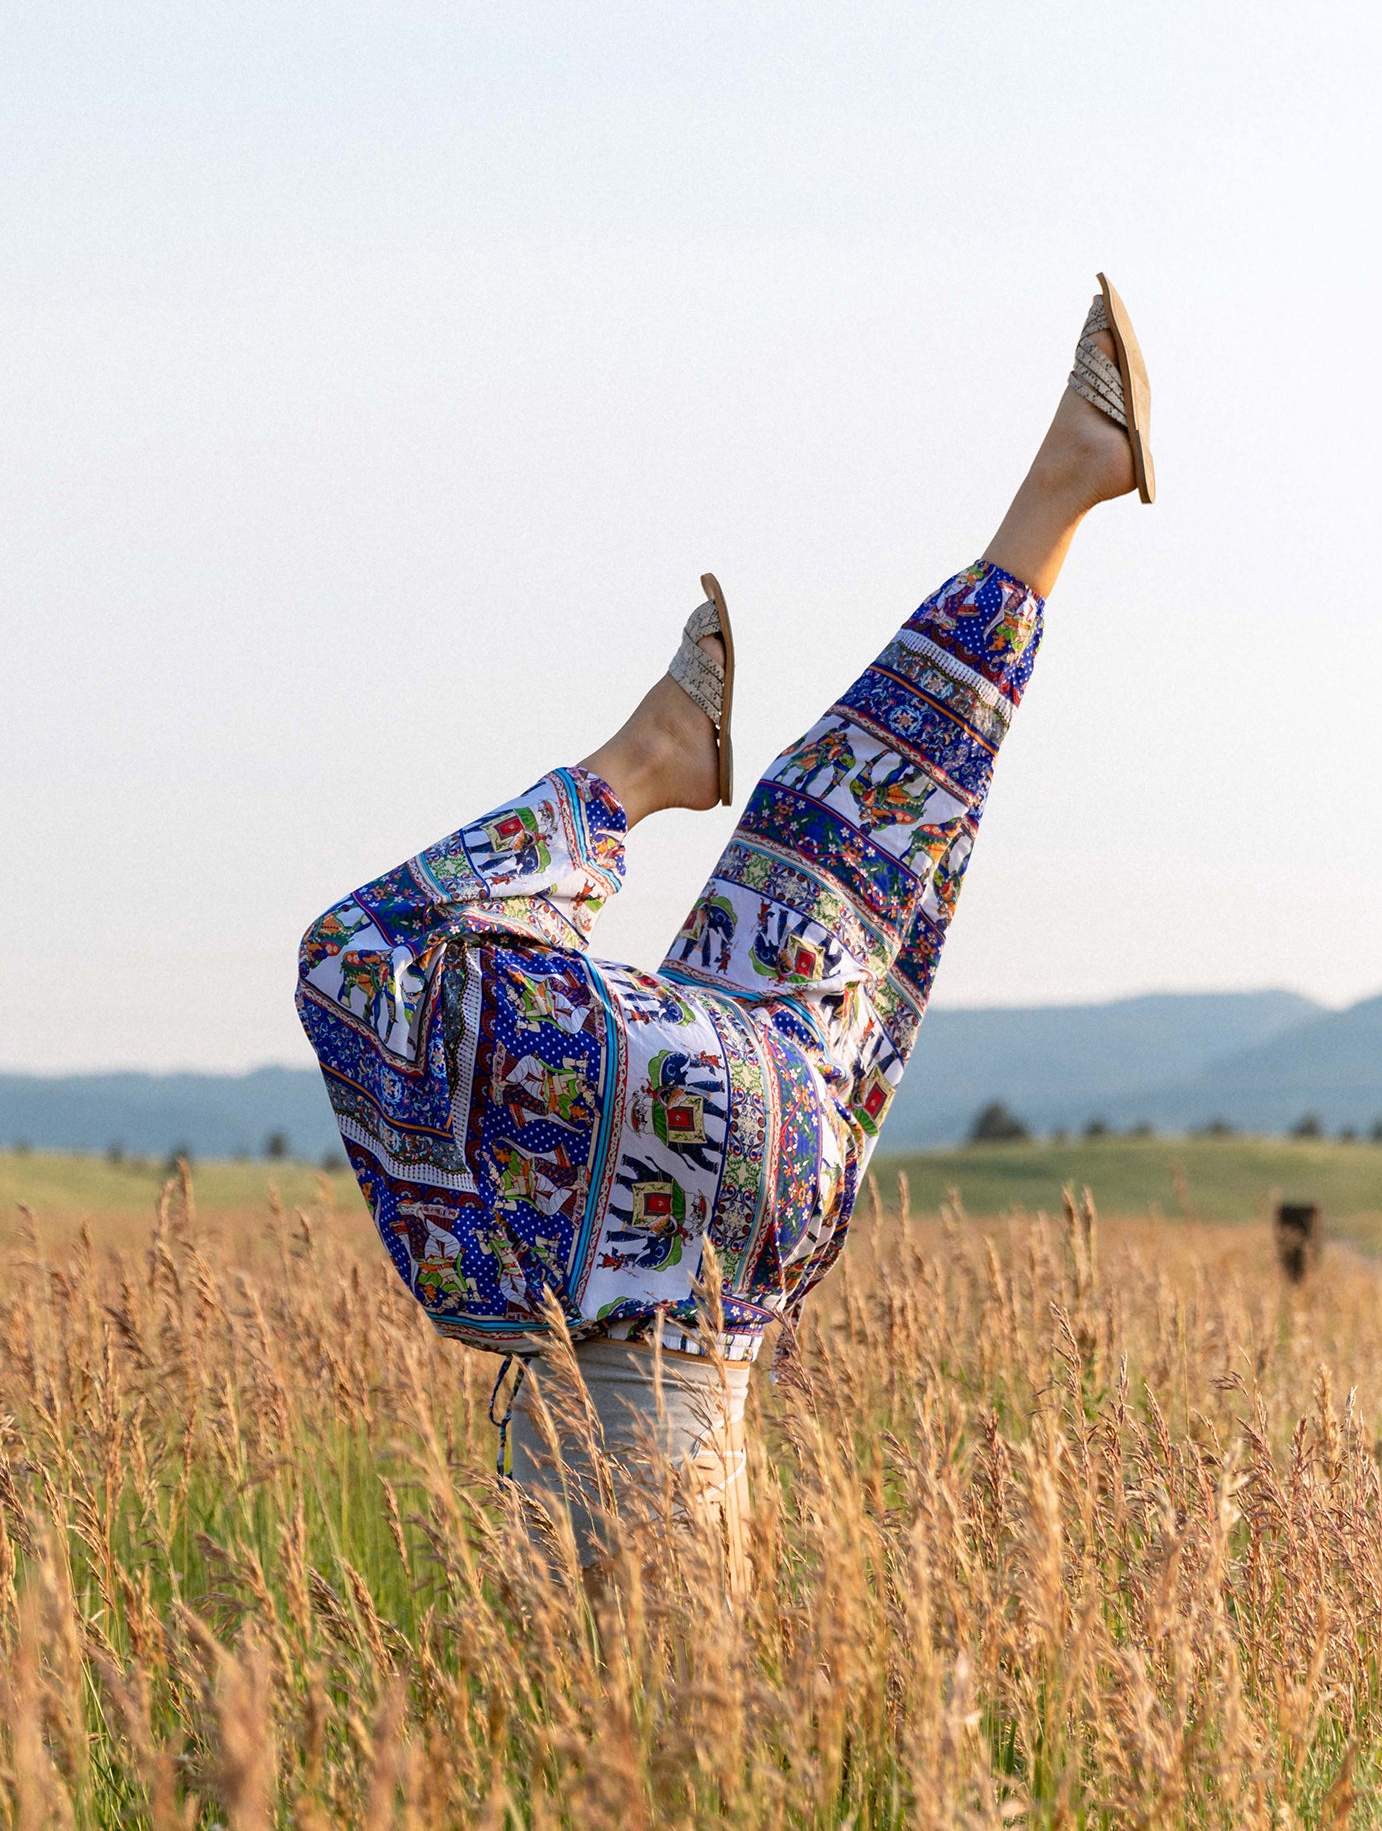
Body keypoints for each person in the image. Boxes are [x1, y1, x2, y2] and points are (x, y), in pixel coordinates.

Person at [296, 280, 1155, 1581]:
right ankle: (1049, 497)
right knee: (814, 849)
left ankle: (658, 755)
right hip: (693, 1210)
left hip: (682, 1225)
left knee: (825, 862)